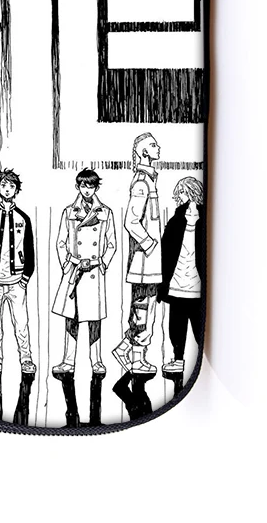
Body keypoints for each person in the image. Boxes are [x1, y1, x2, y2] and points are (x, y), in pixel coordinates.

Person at [51, 169, 117, 376]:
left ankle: (96, 361)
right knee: (71, 318)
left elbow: (112, 243)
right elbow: (60, 242)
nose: (87, 190)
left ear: (96, 188)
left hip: (94, 271)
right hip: (74, 270)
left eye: (91, 186)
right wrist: (67, 264)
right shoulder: (69, 212)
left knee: (94, 320)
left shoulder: (106, 213)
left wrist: (102, 263)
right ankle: (68, 361)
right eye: (83, 186)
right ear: (77, 187)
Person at [0, 169, 36, 375]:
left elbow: (29, 249)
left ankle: (26, 359)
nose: (7, 189)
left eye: (11, 186)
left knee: (21, 323)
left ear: (17, 189)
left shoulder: (23, 218)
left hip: (17, 281)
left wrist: (25, 277)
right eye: (3, 185)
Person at [112, 132, 163, 374]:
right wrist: (150, 245)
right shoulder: (142, 183)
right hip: (143, 262)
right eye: (153, 145)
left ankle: (126, 349)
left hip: (150, 262)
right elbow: (131, 221)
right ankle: (135, 359)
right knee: (143, 308)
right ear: (143, 152)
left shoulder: (149, 180)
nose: (158, 147)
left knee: (147, 307)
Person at [158, 177, 205, 374]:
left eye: (182, 193)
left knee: (199, 325)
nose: (179, 197)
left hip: (197, 285)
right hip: (177, 283)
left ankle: (202, 360)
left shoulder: (205, 219)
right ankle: (178, 359)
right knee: (176, 325)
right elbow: (165, 251)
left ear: (191, 193)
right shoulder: (176, 220)